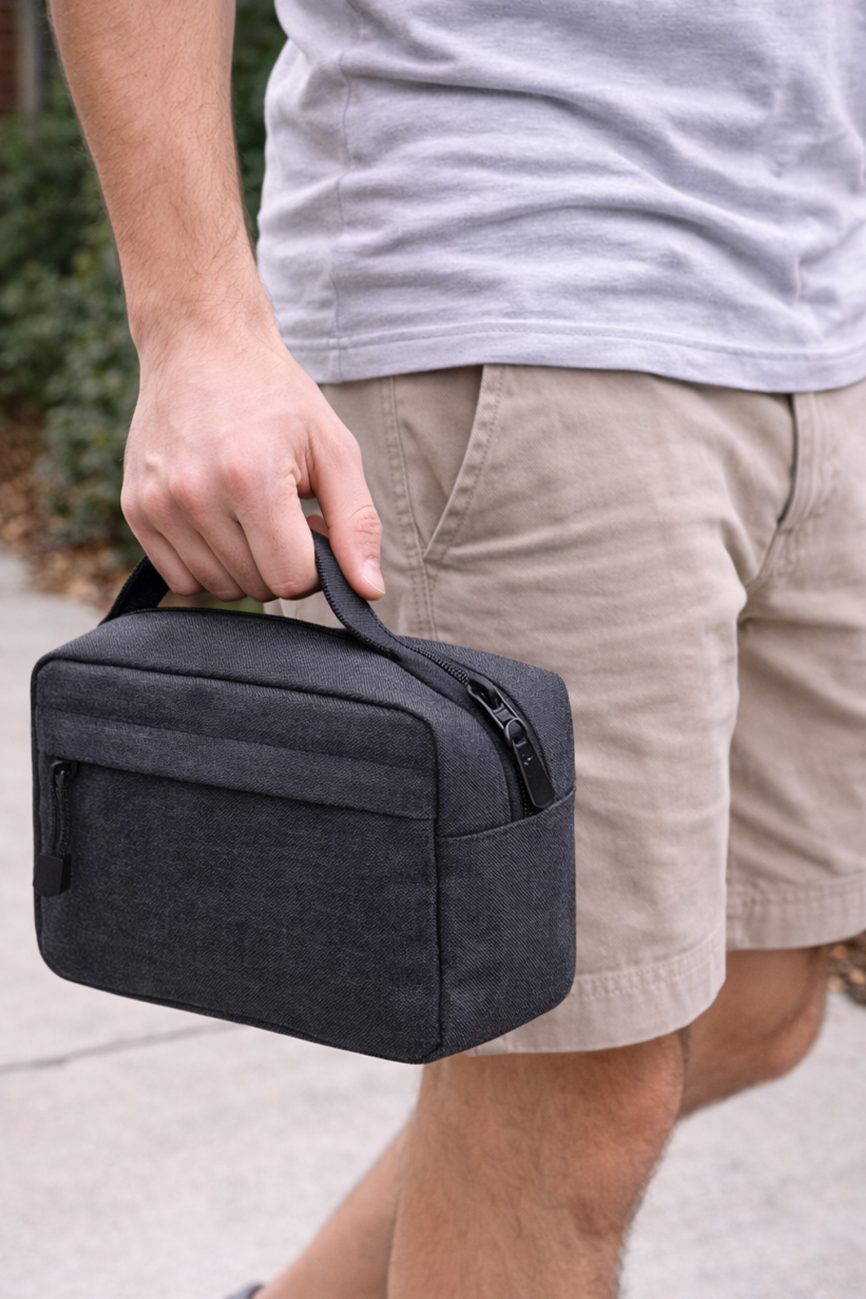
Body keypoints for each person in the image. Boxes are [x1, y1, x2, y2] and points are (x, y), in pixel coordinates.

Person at [49, 1, 866, 1296]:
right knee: (567, 1090)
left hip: (817, 324)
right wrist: (196, 328)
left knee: (753, 1007)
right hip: (513, 313)